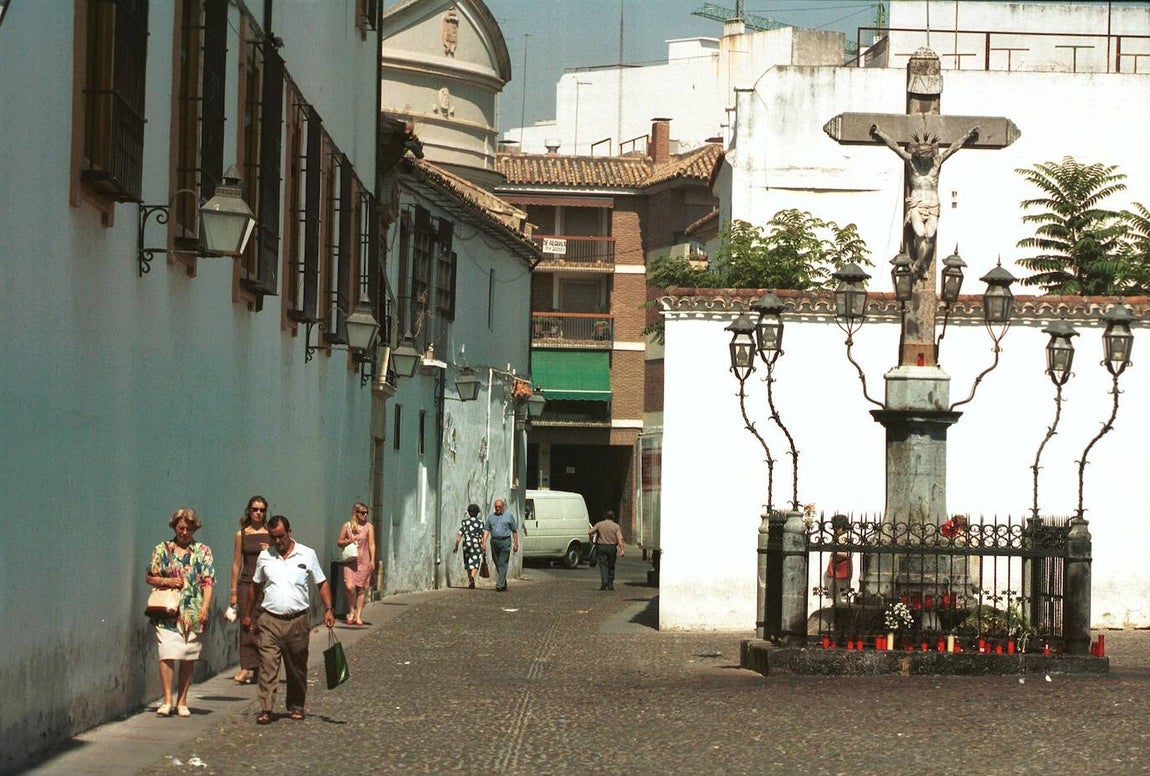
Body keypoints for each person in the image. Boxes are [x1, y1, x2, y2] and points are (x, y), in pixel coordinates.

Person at [245, 514, 335, 724]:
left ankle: (296, 705)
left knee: (296, 667)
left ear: (289, 532)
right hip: (270, 621)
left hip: (297, 622)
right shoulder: (265, 556)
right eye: (274, 537)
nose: (278, 541)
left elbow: (321, 582)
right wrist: (247, 614)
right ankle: (266, 708)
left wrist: (329, 609)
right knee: (267, 665)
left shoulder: (307, 554)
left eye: (281, 536)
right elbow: (255, 586)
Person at [870, 122, 979, 274]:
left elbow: (953, 148)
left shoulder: (937, 162)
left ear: (930, 155)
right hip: (916, 203)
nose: (924, 160)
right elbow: (894, 147)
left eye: (926, 157)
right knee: (920, 233)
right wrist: (879, 133)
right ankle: (921, 265)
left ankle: (919, 263)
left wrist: (968, 136)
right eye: (922, 157)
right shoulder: (911, 162)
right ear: (918, 155)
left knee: (930, 234)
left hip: (933, 203)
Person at [145, 507, 215, 718]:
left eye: (189, 529)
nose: (184, 532)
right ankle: (167, 700)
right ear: (175, 527)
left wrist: (205, 607)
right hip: (168, 611)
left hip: (192, 609)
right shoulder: (162, 549)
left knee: (187, 655)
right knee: (167, 652)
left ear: (194, 529)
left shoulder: (203, 551)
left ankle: (182, 701)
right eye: (181, 528)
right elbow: (150, 577)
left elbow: (208, 582)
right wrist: (169, 581)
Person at [227, 495, 269, 684]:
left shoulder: (270, 533)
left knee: (262, 625)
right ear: (249, 511)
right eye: (255, 509)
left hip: (266, 584)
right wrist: (233, 591)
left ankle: (260, 667)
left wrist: (270, 549)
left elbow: (283, 555)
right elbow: (237, 563)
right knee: (246, 623)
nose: (258, 513)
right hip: (246, 582)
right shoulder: (241, 534)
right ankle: (245, 667)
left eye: (261, 510)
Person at [337, 502, 375, 625]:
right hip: (350, 561)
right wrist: (349, 540)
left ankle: (358, 616)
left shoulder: (369, 527)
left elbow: (371, 544)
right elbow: (339, 542)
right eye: (363, 513)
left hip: (364, 561)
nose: (365, 515)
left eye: (367, 513)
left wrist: (372, 560)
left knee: (361, 589)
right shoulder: (347, 526)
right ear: (356, 513)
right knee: (350, 587)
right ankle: (351, 610)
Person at [480, 498, 518, 592]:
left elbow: (514, 530)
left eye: (499, 507)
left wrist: (516, 543)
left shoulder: (508, 516)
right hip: (494, 542)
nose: (497, 508)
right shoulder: (491, 517)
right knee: (497, 563)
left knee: (502, 563)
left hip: (505, 542)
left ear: (503, 507)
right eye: (496, 507)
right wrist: (484, 542)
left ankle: (499, 584)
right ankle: (503, 582)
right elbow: (486, 530)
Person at [588, 510, 625, 591]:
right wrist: (621, 549)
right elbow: (620, 538)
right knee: (611, 565)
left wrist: (592, 539)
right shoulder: (616, 526)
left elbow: (590, 532)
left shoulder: (599, 524)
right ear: (613, 517)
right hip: (612, 547)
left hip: (601, 547)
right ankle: (610, 583)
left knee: (603, 565)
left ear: (605, 516)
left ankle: (604, 581)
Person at [452, 503, 485, 589]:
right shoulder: (480, 523)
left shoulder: (464, 522)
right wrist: (483, 545)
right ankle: (472, 577)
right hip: (476, 544)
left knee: (467, 562)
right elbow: (482, 535)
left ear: (469, 513)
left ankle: (470, 579)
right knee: (475, 562)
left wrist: (456, 546)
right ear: (477, 513)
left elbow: (460, 534)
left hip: (466, 544)